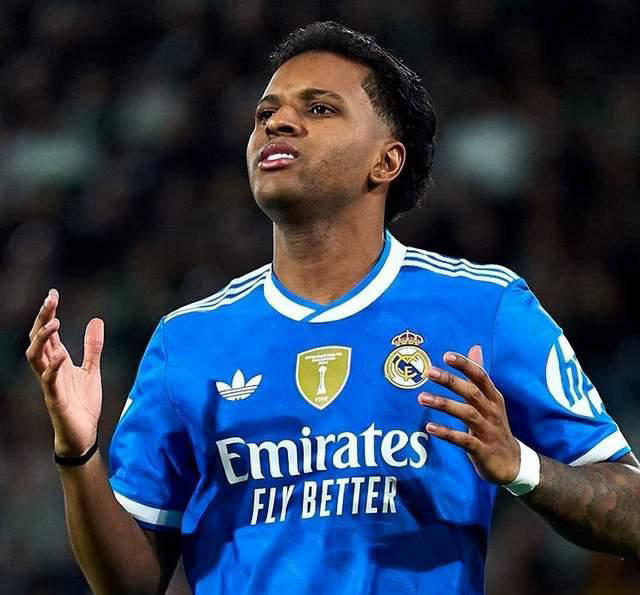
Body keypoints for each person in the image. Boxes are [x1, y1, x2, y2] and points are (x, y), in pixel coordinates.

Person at [26, 21, 639, 595]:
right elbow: (130, 583)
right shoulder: (186, 340)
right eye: (265, 113)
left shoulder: (485, 308)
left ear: (386, 161)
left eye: (318, 108)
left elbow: (631, 509)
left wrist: (522, 465)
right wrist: (78, 454)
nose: (278, 123)